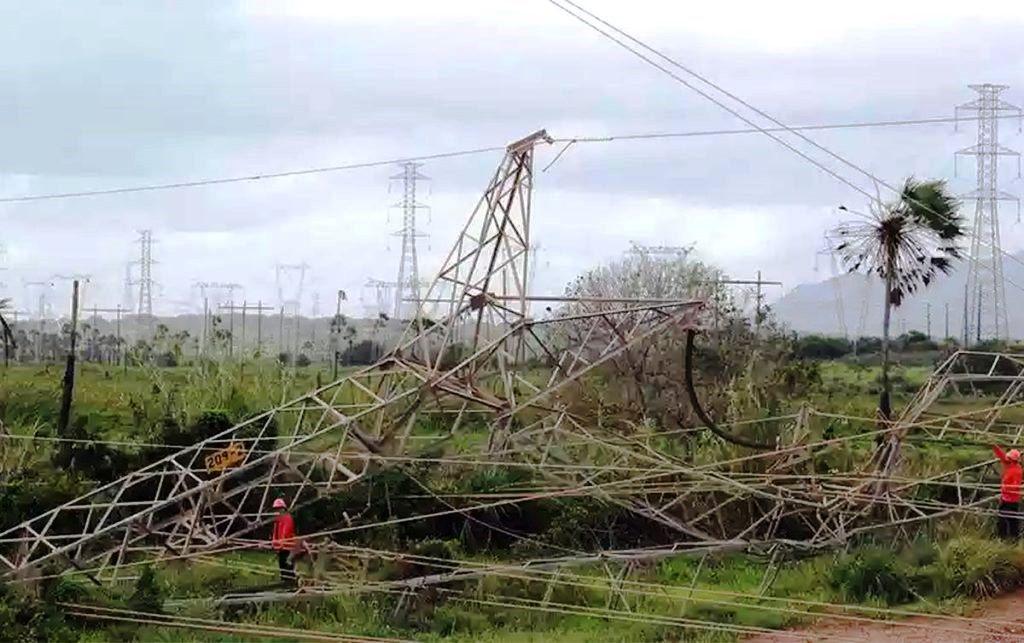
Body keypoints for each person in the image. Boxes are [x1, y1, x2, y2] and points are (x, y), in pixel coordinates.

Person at [993, 445, 1022, 539]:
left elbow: (1015, 487)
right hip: (1005, 499)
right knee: (1003, 521)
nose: (1006, 458)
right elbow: (1001, 456)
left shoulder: (1017, 471)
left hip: (1012, 501)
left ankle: (1012, 540)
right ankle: (1003, 539)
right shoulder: (1008, 464)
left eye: (1008, 457)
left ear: (1012, 460)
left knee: (1011, 521)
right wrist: (994, 447)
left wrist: (1005, 488)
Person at [271, 497, 298, 585]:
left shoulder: (287, 518)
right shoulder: (277, 519)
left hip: (287, 547)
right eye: (276, 509)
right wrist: (274, 543)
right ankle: (285, 582)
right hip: (281, 547)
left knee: (288, 565)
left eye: (279, 508)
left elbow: (286, 532)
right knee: (282, 565)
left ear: (283, 508)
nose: (277, 510)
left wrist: (281, 543)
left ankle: (291, 583)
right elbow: (275, 532)